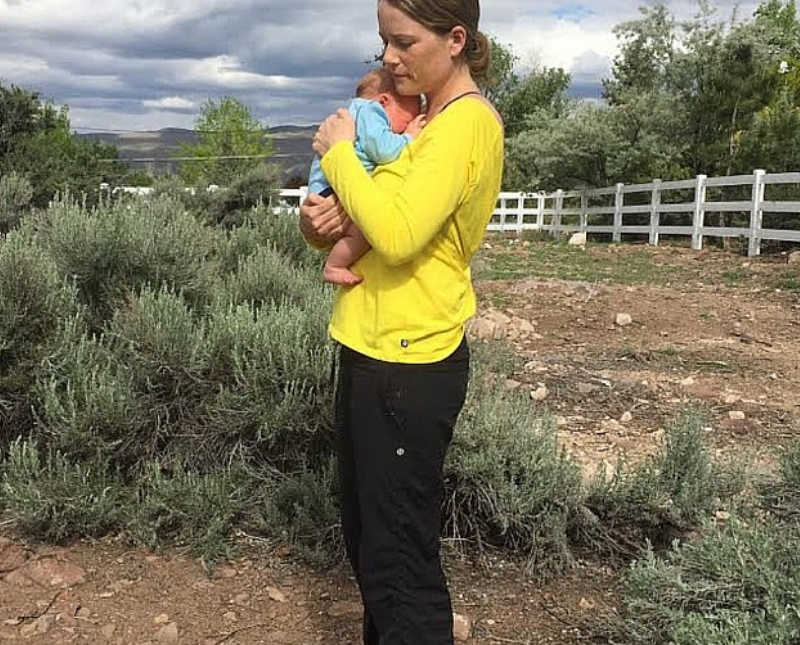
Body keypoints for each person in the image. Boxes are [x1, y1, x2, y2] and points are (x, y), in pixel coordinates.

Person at [299, 0, 503, 643]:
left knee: (400, 558)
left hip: (410, 361)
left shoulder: (464, 125)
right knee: (371, 542)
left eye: (404, 41)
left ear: (454, 40)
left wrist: (337, 156)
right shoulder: (419, 120)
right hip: (369, 344)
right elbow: (368, 215)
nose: (389, 57)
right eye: (383, 42)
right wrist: (314, 226)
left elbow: (399, 231)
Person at [307, 67, 426, 286]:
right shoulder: (372, 112)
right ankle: (334, 266)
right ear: (384, 101)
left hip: (328, 184)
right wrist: (409, 137)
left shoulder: (358, 113)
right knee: (364, 232)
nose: (402, 128)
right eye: (409, 116)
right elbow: (382, 150)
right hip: (332, 186)